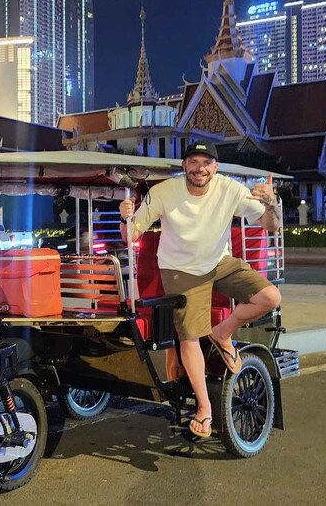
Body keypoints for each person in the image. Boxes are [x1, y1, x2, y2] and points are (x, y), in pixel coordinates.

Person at [119, 142, 282, 439]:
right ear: (184, 166)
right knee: (190, 335)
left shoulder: (229, 189)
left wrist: (271, 203)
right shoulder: (165, 192)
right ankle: (204, 408)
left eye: (206, 162)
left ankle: (222, 333)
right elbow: (131, 234)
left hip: (219, 262)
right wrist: (125, 216)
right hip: (181, 269)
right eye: (193, 162)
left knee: (270, 297)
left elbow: (271, 225)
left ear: (215, 167)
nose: (200, 168)